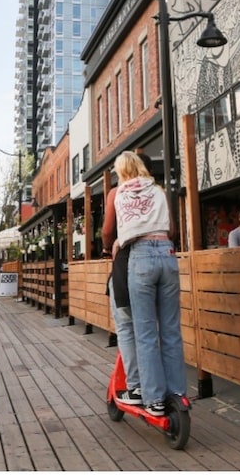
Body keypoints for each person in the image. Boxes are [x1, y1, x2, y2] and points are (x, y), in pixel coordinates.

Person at [112, 150, 185, 417]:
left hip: (140, 257)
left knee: (144, 334)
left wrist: (120, 241)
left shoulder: (119, 194)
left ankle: (153, 399)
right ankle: (177, 393)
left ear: (122, 172)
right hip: (166, 253)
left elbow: (124, 231)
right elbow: (171, 229)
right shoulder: (159, 190)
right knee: (171, 331)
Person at [101, 165, 141, 407]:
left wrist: (108, 246)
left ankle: (136, 386)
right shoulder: (154, 192)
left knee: (126, 328)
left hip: (125, 264)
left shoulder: (117, 193)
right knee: (150, 330)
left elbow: (106, 230)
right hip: (158, 263)